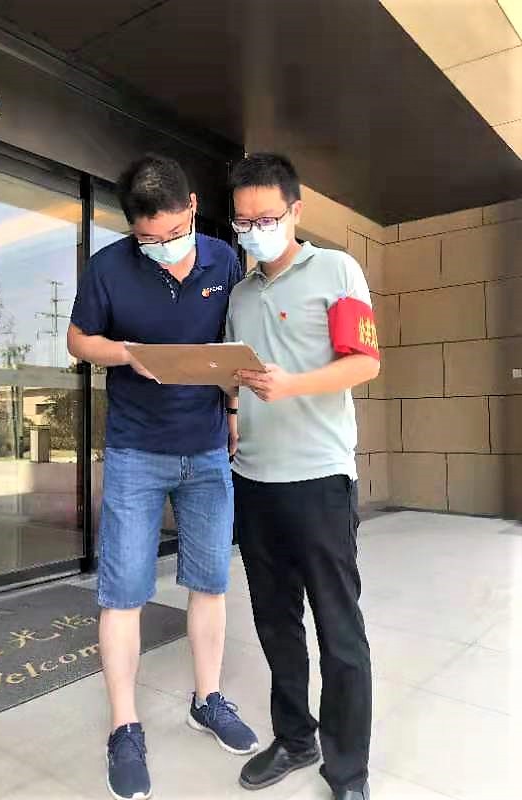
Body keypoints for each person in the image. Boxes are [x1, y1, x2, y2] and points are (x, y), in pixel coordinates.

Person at [67, 154, 257, 800]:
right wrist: (127, 354)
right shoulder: (108, 268)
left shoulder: (224, 261)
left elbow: (233, 345)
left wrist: (233, 411)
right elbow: (78, 341)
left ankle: (208, 699)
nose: (166, 245)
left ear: (194, 207)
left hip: (205, 449)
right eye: (150, 238)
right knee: (123, 592)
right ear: (133, 230)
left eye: (175, 231)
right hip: (135, 451)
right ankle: (124, 727)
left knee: (209, 582)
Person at [225, 154, 380, 800]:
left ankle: (348, 771)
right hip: (254, 482)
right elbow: (237, 375)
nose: (254, 230)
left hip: (319, 479)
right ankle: (294, 737)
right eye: (243, 221)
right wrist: (233, 412)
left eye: (266, 218)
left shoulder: (337, 270)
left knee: (339, 631)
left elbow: (364, 363)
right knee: (275, 622)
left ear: (295, 210)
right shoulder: (240, 295)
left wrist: (292, 386)